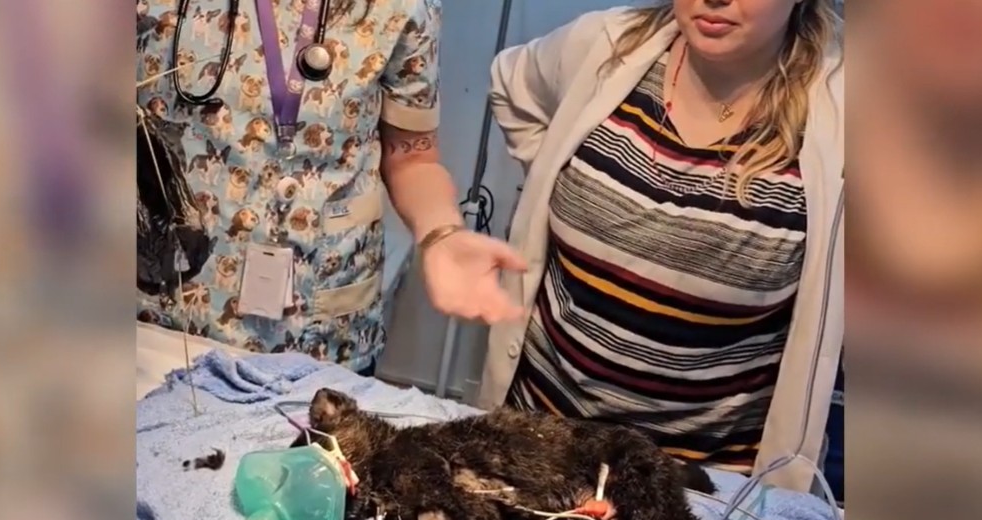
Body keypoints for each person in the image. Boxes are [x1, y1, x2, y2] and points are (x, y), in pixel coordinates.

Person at [478, 0, 843, 493]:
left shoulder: (852, 108)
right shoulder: (604, 44)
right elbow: (512, 85)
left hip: (699, 488)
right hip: (538, 446)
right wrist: (560, 182)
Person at [135, 0, 524, 376]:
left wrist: (442, 233)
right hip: (168, 322)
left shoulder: (403, 7)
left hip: (326, 334)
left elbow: (412, 157)